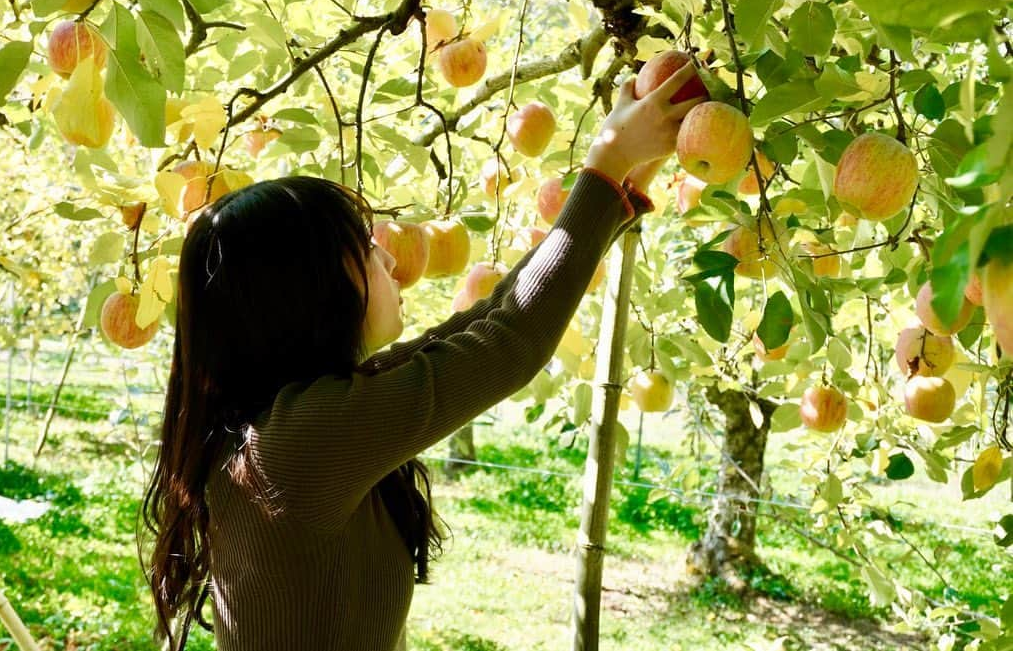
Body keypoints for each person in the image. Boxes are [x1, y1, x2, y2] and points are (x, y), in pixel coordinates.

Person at [141, 64, 702, 651]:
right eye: (364, 247)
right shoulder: (302, 441)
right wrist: (606, 163)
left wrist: (620, 185)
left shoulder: (305, 415)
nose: (388, 259)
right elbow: (512, 341)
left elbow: (490, 320)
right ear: (306, 290)